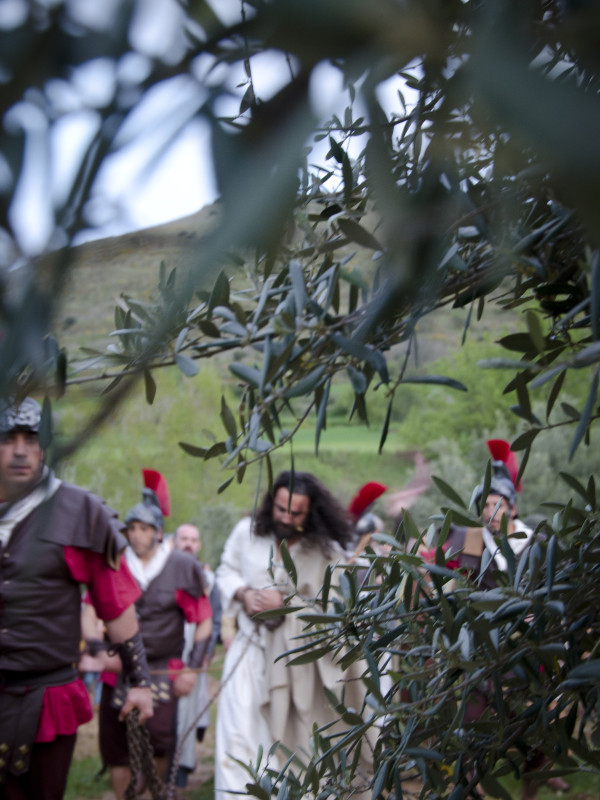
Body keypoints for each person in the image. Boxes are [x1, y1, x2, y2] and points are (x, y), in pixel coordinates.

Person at [0, 397, 153, 800]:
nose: (19, 449)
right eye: (7, 438)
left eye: (30, 439)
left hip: (46, 695)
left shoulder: (79, 511)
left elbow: (116, 604)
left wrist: (140, 682)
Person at [214, 470, 370, 800]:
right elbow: (225, 571)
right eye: (280, 508)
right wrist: (244, 594)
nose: (285, 517)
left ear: (310, 512)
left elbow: (336, 608)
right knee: (237, 739)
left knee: (285, 747)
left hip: (295, 665)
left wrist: (287, 603)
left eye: (295, 512)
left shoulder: (323, 551)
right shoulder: (246, 533)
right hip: (248, 653)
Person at [98, 488, 212, 800]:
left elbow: (203, 618)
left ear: (158, 533)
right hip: (119, 668)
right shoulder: (114, 562)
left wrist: (191, 669)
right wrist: (96, 650)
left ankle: (154, 793)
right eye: (132, 528)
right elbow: (92, 610)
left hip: (162, 669)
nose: (136, 535)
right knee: (117, 748)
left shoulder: (181, 566)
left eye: (144, 529)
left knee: (160, 742)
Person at [172, 523, 220, 788]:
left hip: (193, 654)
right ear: (174, 542)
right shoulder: (161, 572)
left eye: (193, 539)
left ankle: (179, 773)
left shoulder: (208, 580)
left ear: (199, 545)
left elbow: (214, 617)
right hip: (163, 654)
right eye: (184, 538)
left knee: (187, 714)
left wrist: (206, 651)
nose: (189, 543)